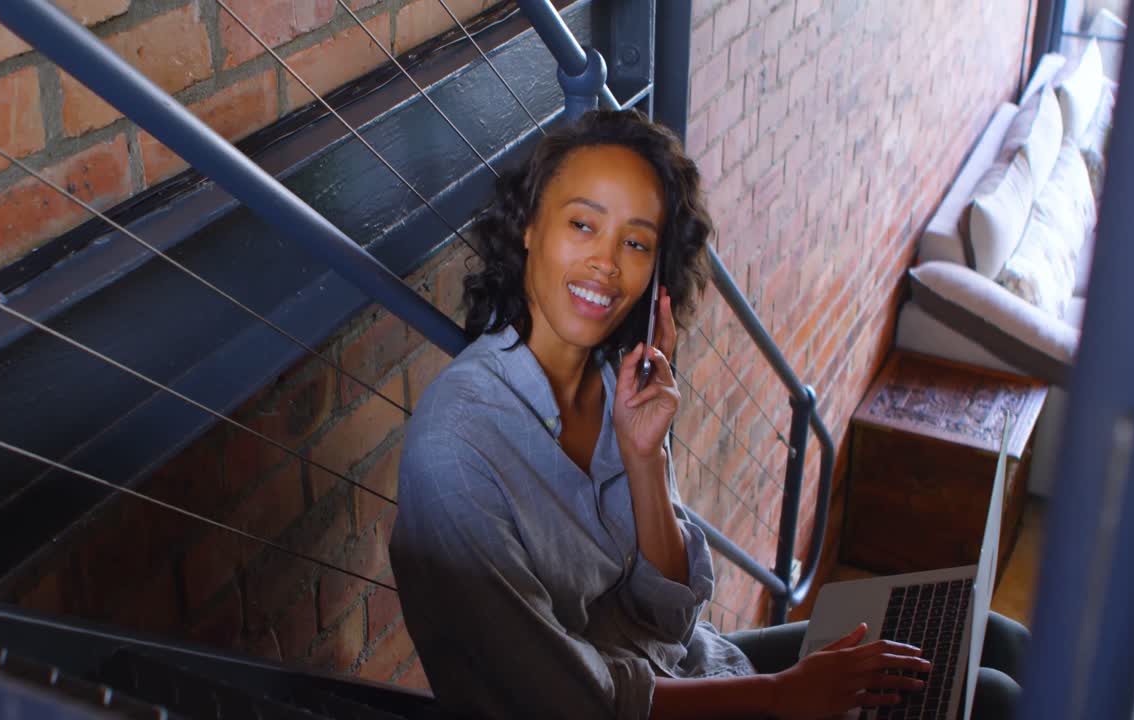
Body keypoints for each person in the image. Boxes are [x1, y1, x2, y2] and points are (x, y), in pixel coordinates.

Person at [389, 110, 1027, 719]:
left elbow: (669, 615)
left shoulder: (617, 381)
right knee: (995, 700)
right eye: (582, 225)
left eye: (635, 242)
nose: (607, 263)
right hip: (627, 707)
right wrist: (780, 696)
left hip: (689, 666)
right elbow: (567, 703)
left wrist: (644, 456)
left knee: (998, 640)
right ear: (528, 227)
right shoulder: (455, 448)